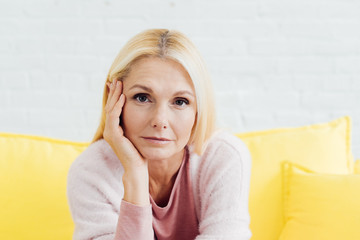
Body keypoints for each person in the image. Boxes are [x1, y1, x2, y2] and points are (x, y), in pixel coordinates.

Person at [67, 28, 252, 240]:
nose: (160, 121)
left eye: (180, 102)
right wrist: (135, 175)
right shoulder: (91, 172)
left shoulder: (224, 158)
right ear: (114, 100)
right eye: (143, 97)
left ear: (199, 109)